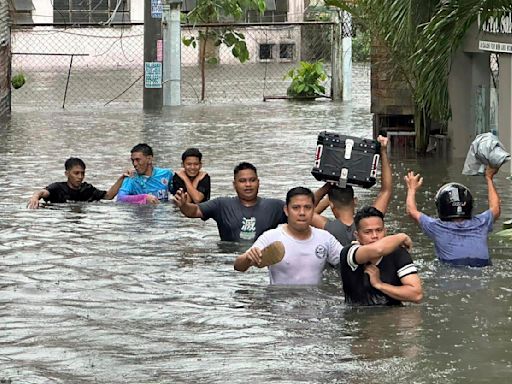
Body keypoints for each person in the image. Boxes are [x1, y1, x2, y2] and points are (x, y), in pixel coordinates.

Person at [234, 187, 342, 285]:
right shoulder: (271, 236)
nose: (302, 213)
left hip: (314, 303)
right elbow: (238, 267)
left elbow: (347, 260)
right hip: (280, 302)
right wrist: (247, 258)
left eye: (307, 207)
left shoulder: (325, 238)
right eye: (296, 208)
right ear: (286, 210)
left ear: (313, 210)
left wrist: (355, 249)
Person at [405, 166, 500, 267]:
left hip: (452, 266)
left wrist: (412, 189)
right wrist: (489, 178)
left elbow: (411, 211)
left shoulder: (436, 227)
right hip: (482, 265)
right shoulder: (481, 223)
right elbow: (495, 208)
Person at [312, 135, 392, 246]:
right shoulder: (369, 223)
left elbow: (307, 211)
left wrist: (326, 188)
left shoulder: (328, 228)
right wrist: (383, 151)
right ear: (355, 201)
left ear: (331, 204)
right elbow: (386, 191)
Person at [174, 162, 286, 242]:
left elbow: (300, 220)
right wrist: (184, 205)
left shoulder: (274, 206)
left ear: (258, 182)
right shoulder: (221, 205)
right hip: (229, 263)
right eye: (242, 181)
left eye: (252, 180)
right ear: (234, 184)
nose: (248, 185)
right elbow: (194, 211)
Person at [340, 206, 423, 306]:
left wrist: (380, 285)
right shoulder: (349, 252)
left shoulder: (398, 253)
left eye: (379, 230)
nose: (374, 236)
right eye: (367, 232)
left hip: (393, 315)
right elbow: (378, 249)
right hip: (359, 316)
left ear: (385, 231)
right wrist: (401, 236)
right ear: (357, 236)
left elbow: (417, 295)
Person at [27, 157, 127, 209]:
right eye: (76, 173)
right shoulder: (57, 188)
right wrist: (35, 197)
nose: (80, 177)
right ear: (67, 174)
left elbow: (108, 196)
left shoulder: (88, 189)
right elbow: (42, 192)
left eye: (82, 173)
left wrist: (122, 178)